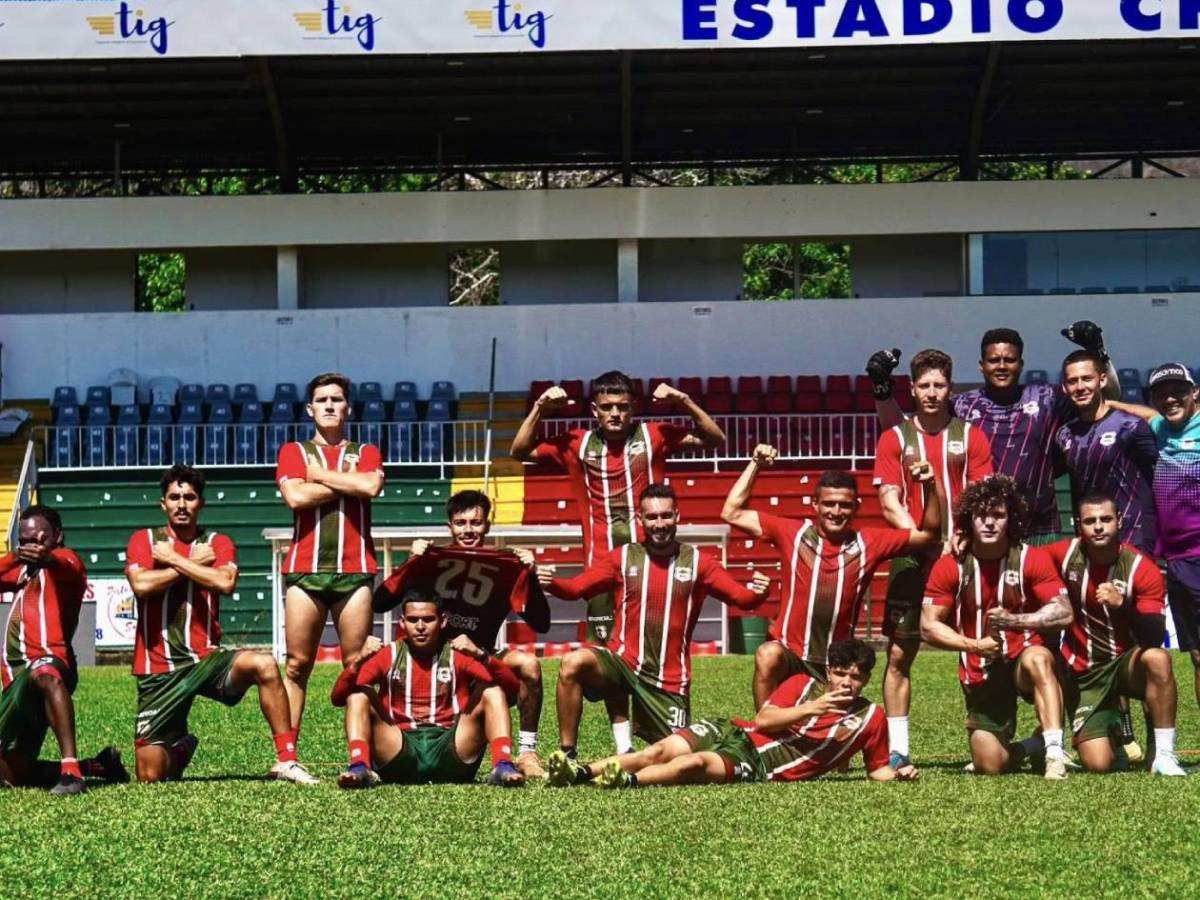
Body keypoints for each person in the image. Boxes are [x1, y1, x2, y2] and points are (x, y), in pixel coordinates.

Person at [511, 370, 725, 753]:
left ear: (633, 409)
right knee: (611, 655)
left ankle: (659, 726)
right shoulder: (576, 443)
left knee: (655, 651)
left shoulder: (654, 435)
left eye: (622, 407)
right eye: (607, 407)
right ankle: (622, 746)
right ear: (594, 409)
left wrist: (683, 400)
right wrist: (541, 406)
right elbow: (519, 451)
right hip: (602, 571)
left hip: (652, 566)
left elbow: (715, 438)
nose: (615, 414)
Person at [547, 484, 770, 764]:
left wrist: (760, 592)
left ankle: (632, 756)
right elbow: (576, 588)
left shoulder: (699, 562)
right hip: (623, 661)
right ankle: (569, 756)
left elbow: (742, 599)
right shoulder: (623, 557)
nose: (659, 524)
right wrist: (549, 581)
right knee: (573, 662)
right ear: (640, 520)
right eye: (651, 517)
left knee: (672, 761)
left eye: (666, 516)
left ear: (677, 516)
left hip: (668, 678)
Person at [126, 465, 316, 784]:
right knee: (150, 776)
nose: (182, 504)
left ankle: (286, 760)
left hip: (206, 660)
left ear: (200, 503)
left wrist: (174, 559)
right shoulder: (144, 540)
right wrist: (192, 563)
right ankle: (182, 747)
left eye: (189, 497)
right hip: (157, 668)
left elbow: (225, 582)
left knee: (264, 664)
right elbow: (142, 586)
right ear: (164, 504)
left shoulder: (217, 542)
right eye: (174, 497)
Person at [721, 445, 942, 710]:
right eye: (829, 504)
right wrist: (755, 463)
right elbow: (730, 512)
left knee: (836, 733)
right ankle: (765, 734)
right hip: (789, 654)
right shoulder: (792, 532)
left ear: (856, 507)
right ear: (815, 504)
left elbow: (928, 535)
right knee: (767, 654)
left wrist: (929, 484)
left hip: (835, 664)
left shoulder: (870, 542)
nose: (836, 512)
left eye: (845, 505)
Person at [869, 321, 1122, 544]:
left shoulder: (1047, 398)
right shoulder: (963, 405)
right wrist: (882, 390)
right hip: (987, 532)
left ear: (1021, 363)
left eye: (1009, 359)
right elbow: (903, 432)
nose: (1002, 366)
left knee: (1050, 598)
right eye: (994, 360)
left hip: (1042, 529)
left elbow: (1106, 397)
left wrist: (1099, 354)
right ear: (982, 366)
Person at [548, 637, 915, 788]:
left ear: (866, 679)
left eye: (857, 677)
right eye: (841, 673)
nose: (848, 683)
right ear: (829, 670)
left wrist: (900, 774)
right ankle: (581, 772)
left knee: (691, 766)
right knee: (657, 750)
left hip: (760, 762)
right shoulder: (804, 685)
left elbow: (877, 769)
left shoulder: (871, 719)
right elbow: (765, 720)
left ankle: (625, 782)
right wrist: (813, 707)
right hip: (735, 730)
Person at [372, 489, 555, 779]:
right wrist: (410, 562)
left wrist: (529, 577)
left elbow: (541, 622)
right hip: (433, 663)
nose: (468, 530)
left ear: (488, 525)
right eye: (461, 523)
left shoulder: (504, 563)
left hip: (478, 658)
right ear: (449, 526)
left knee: (529, 665)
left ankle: (527, 752)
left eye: (476, 522)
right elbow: (379, 602)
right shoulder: (431, 561)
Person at [871, 348, 993, 769]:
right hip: (912, 555)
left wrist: (957, 535)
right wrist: (925, 539)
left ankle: (983, 740)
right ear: (911, 387)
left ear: (950, 387)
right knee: (901, 654)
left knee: (973, 647)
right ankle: (898, 748)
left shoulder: (971, 435)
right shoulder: (895, 438)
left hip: (963, 553)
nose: (931, 392)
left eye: (939, 385)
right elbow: (888, 501)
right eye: (924, 385)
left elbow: (981, 495)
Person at [920, 475, 1074, 780]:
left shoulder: (1031, 557)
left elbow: (1064, 612)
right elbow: (928, 626)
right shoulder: (952, 563)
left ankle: (1055, 753)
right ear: (969, 520)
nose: (989, 523)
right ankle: (1033, 745)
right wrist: (975, 645)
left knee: (1039, 658)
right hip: (982, 668)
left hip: (1023, 660)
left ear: (1011, 519)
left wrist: (1017, 621)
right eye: (981, 516)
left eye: (999, 515)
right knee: (990, 764)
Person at [275, 372, 385, 772]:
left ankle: (361, 759)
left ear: (348, 407)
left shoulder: (367, 450)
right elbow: (295, 496)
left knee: (356, 665)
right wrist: (347, 483)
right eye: (321, 400)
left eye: (336, 399)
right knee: (296, 666)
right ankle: (287, 757)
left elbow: (370, 488)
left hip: (355, 573)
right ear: (310, 409)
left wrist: (319, 476)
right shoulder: (293, 451)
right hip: (304, 571)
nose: (329, 406)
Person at [1043, 492, 1184, 775]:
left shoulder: (1141, 567)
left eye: (1106, 519)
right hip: (1084, 672)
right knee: (1099, 764)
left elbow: (1154, 637)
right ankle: (1113, 732)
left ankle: (1165, 756)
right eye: (1090, 521)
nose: (1098, 527)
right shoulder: (1063, 554)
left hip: (1123, 664)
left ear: (1119, 521)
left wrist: (1125, 605)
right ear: (1077, 523)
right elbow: (1022, 559)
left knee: (1157, 658)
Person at [330, 593, 525, 787]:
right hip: (399, 748)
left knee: (492, 691)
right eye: (413, 620)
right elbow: (338, 697)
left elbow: (511, 690)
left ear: (443, 621)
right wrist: (359, 661)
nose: (420, 627)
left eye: (428, 619)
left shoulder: (458, 653)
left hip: (451, 748)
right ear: (403, 622)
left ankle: (502, 765)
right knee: (358, 694)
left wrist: (481, 655)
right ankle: (359, 766)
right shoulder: (388, 654)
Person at [0, 506, 127, 794]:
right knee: (10, 772)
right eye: (25, 540)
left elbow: (66, 565)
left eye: (39, 539)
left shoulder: (66, 561)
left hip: (50, 664)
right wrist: (14, 557)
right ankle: (96, 765)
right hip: (15, 682)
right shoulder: (21, 570)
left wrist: (46, 557)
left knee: (44, 670)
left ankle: (71, 773)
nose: (32, 546)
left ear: (57, 536)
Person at [1109, 363, 1200, 712]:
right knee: (1195, 654)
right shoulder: (1160, 426)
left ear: (1195, 393)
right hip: (1176, 561)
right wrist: (1111, 405)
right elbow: (1140, 411)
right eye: (1162, 393)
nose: (1171, 398)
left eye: (1179, 390)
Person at [1054, 350, 1158, 555]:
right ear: (1065, 388)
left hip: (1133, 536)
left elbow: (1159, 478)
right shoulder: (1064, 435)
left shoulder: (1131, 426)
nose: (1080, 387)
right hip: (1092, 539)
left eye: (1087, 379)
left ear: (1102, 380)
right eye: (1073, 381)